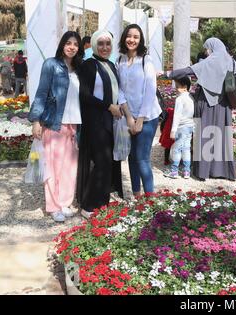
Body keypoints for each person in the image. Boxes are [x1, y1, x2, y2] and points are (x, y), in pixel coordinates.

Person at [28, 31, 84, 222]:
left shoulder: (79, 68)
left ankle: (65, 202)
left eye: (75, 44)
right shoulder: (51, 64)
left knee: (69, 167)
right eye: (68, 43)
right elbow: (41, 92)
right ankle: (53, 206)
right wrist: (36, 120)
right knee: (51, 167)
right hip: (53, 123)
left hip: (73, 124)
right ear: (62, 45)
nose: (72, 47)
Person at [169, 37, 236, 181]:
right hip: (224, 105)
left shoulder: (210, 61)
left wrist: (168, 74)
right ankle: (222, 171)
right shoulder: (231, 61)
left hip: (206, 103)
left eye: (207, 48)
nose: (206, 52)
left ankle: (203, 171)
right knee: (222, 136)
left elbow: (188, 71)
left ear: (212, 48)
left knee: (205, 135)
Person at [77, 30, 124, 219]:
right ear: (95, 45)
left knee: (108, 162)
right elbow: (85, 95)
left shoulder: (111, 65)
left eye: (108, 44)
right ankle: (88, 206)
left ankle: (102, 202)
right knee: (101, 162)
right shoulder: (89, 65)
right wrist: (108, 106)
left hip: (110, 121)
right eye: (101, 43)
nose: (105, 47)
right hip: (96, 122)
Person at [116, 24, 162, 196]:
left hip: (147, 116)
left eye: (136, 37)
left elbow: (150, 91)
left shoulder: (146, 60)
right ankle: (137, 195)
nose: (132, 40)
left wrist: (140, 119)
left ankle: (150, 198)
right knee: (131, 157)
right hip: (129, 115)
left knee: (142, 157)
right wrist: (128, 116)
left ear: (141, 40)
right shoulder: (119, 60)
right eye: (129, 36)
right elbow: (119, 89)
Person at [164, 76, 194, 179]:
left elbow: (176, 116)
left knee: (176, 149)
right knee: (186, 149)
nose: (175, 88)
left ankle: (174, 171)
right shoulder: (191, 98)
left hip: (181, 127)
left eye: (177, 86)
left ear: (185, 87)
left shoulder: (180, 99)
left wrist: (173, 130)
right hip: (190, 126)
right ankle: (186, 171)